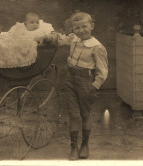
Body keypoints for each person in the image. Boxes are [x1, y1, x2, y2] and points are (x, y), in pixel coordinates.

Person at [36, 12, 108, 160]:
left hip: (86, 82)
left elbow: (103, 71)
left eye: (84, 26)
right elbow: (59, 38)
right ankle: (73, 147)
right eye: (77, 28)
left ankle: (85, 145)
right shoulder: (73, 39)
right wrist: (45, 37)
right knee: (73, 115)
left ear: (91, 26)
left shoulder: (97, 47)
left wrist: (94, 86)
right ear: (73, 29)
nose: (81, 30)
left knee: (85, 115)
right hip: (70, 80)